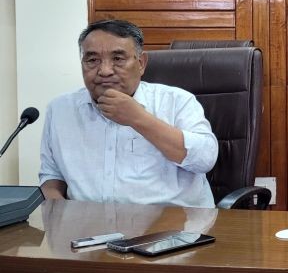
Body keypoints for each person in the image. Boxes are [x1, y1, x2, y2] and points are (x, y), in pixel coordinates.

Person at [39, 20, 219, 208]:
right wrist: (61, 218)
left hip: (173, 226)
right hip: (87, 228)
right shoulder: (60, 110)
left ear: (141, 63)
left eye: (118, 59)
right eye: (92, 60)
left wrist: (138, 118)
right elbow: (52, 177)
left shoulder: (177, 101)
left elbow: (204, 160)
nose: (105, 71)